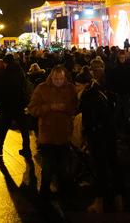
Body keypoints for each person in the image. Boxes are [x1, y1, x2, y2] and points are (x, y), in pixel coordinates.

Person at [77, 66, 124, 213]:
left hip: (98, 138)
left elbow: (91, 121)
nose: (75, 87)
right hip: (108, 135)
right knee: (113, 166)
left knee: (100, 169)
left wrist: (87, 137)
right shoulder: (99, 92)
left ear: (84, 85)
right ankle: (118, 199)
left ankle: (100, 202)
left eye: (77, 85)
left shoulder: (88, 98)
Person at [27, 65, 77, 199]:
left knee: (63, 168)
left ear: (64, 77)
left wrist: (66, 108)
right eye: (56, 79)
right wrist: (50, 107)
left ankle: (64, 193)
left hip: (64, 133)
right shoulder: (42, 88)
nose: (59, 81)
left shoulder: (70, 88)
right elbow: (32, 108)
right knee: (48, 167)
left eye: (61, 79)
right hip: (47, 135)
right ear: (51, 77)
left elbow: (75, 107)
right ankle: (44, 192)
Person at [0, 54, 32, 157]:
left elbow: (2, 91)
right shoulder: (20, 71)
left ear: (5, 62)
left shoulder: (6, 73)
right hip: (19, 104)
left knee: (2, 128)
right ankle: (26, 148)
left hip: (8, 105)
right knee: (24, 129)